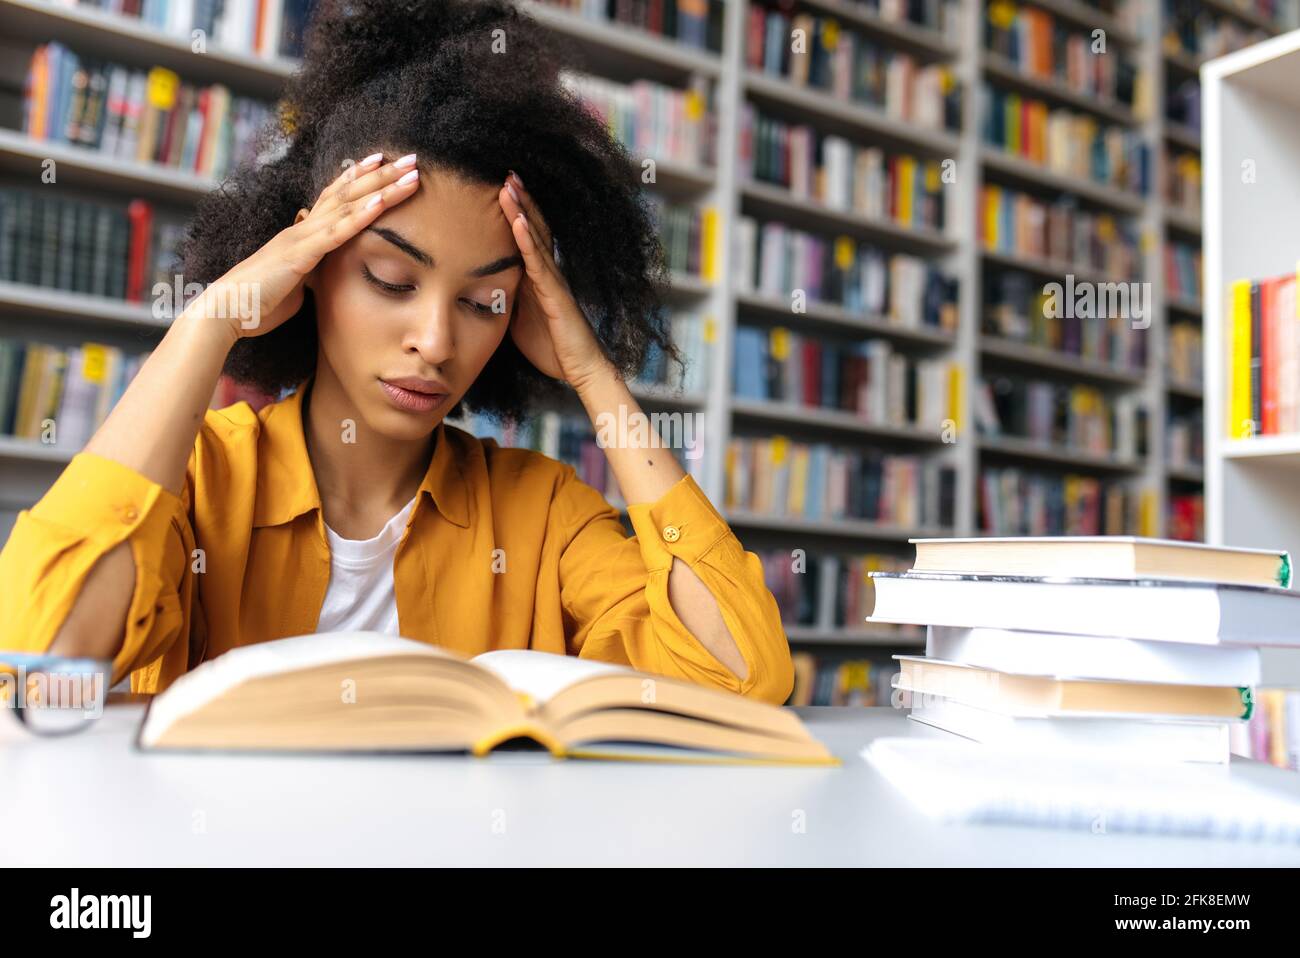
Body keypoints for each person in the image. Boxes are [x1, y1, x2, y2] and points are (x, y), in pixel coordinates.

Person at [0, 0, 794, 705]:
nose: (437, 342)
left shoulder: (542, 514)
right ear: (309, 265)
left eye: (485, 303)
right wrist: (211, 320)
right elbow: (41, 659)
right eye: (389, 279)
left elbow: (740, 677)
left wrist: (594, 374)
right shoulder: (200, 482)